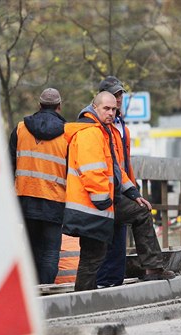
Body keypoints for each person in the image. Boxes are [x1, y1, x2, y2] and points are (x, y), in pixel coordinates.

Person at [64, 91, 174, 292]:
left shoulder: (103, 131)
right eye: (106, 108)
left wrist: (134, 194)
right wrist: (105, 203)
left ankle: (152, 268)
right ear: (94, 107)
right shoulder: (90, 133)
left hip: (101, 202)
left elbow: (116, 170)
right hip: (93, 205)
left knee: (140, 212)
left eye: (114, 109)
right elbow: (92, 172)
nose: (111, 113)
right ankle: (83, 298)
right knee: (92, 255)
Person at [9, 88, 67, 284]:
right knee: (51, 251)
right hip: (55, 199)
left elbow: (10, 166)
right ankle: (47, 290)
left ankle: (35, 291)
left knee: (32, 248)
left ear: (39, 105)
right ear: (59, 106)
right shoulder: (67, 133)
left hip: (25, 199)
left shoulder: (20, 129)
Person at [91, 76, 134, 287]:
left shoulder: (121, 127)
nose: (119, 100)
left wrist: (133, 188)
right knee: (104, 238)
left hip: (121, 188)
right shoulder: (95, 126)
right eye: (115, 95)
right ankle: (102, 282)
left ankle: (114, 282)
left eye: (120, 96)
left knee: (119, 237)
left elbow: (125, 163)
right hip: (104, 191)